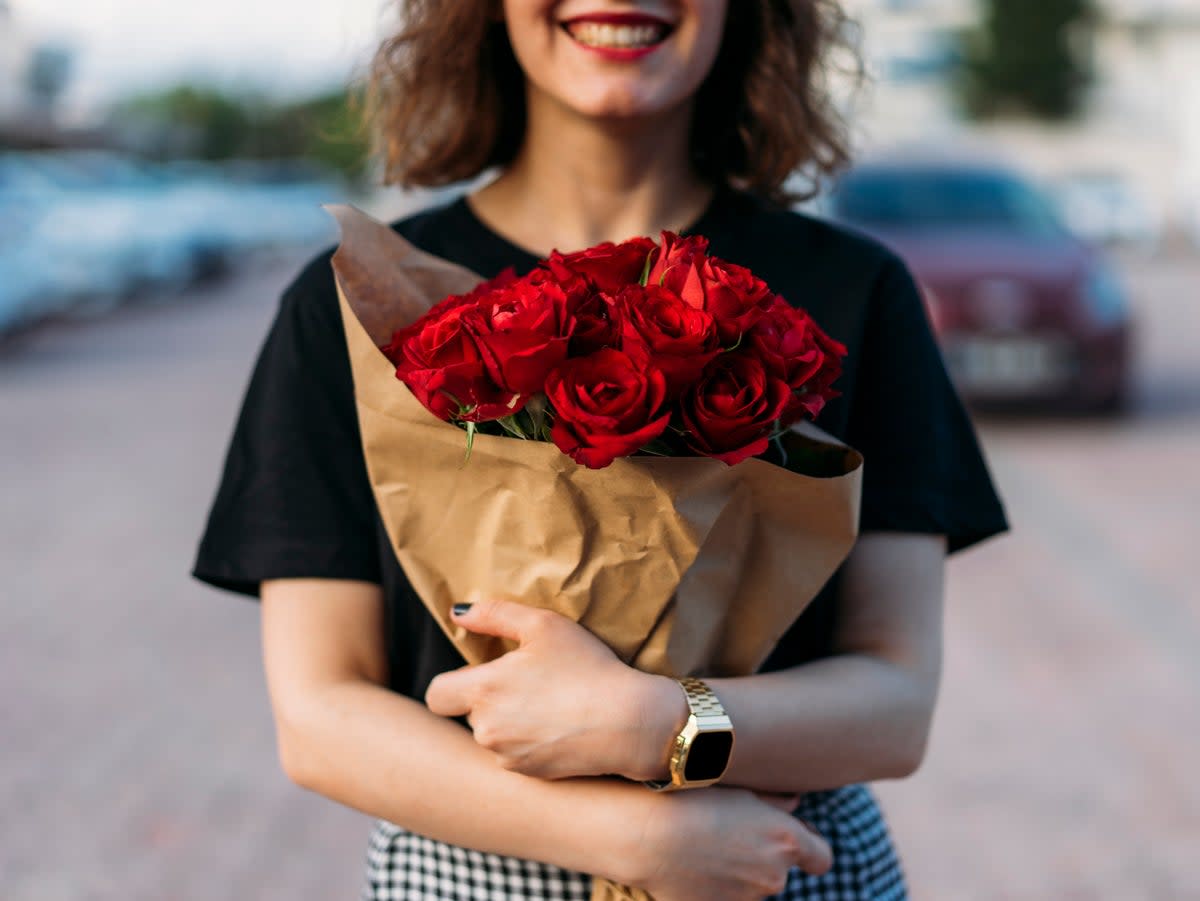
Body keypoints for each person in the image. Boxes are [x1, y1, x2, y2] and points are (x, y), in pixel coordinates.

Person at [193, 1, 1008, 899]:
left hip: (778, 860)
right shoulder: (355, 303)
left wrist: (658, 721)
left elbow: (896, 705)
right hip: (474, 863)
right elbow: (320, 714)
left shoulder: (857, 292)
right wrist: (631, 837)